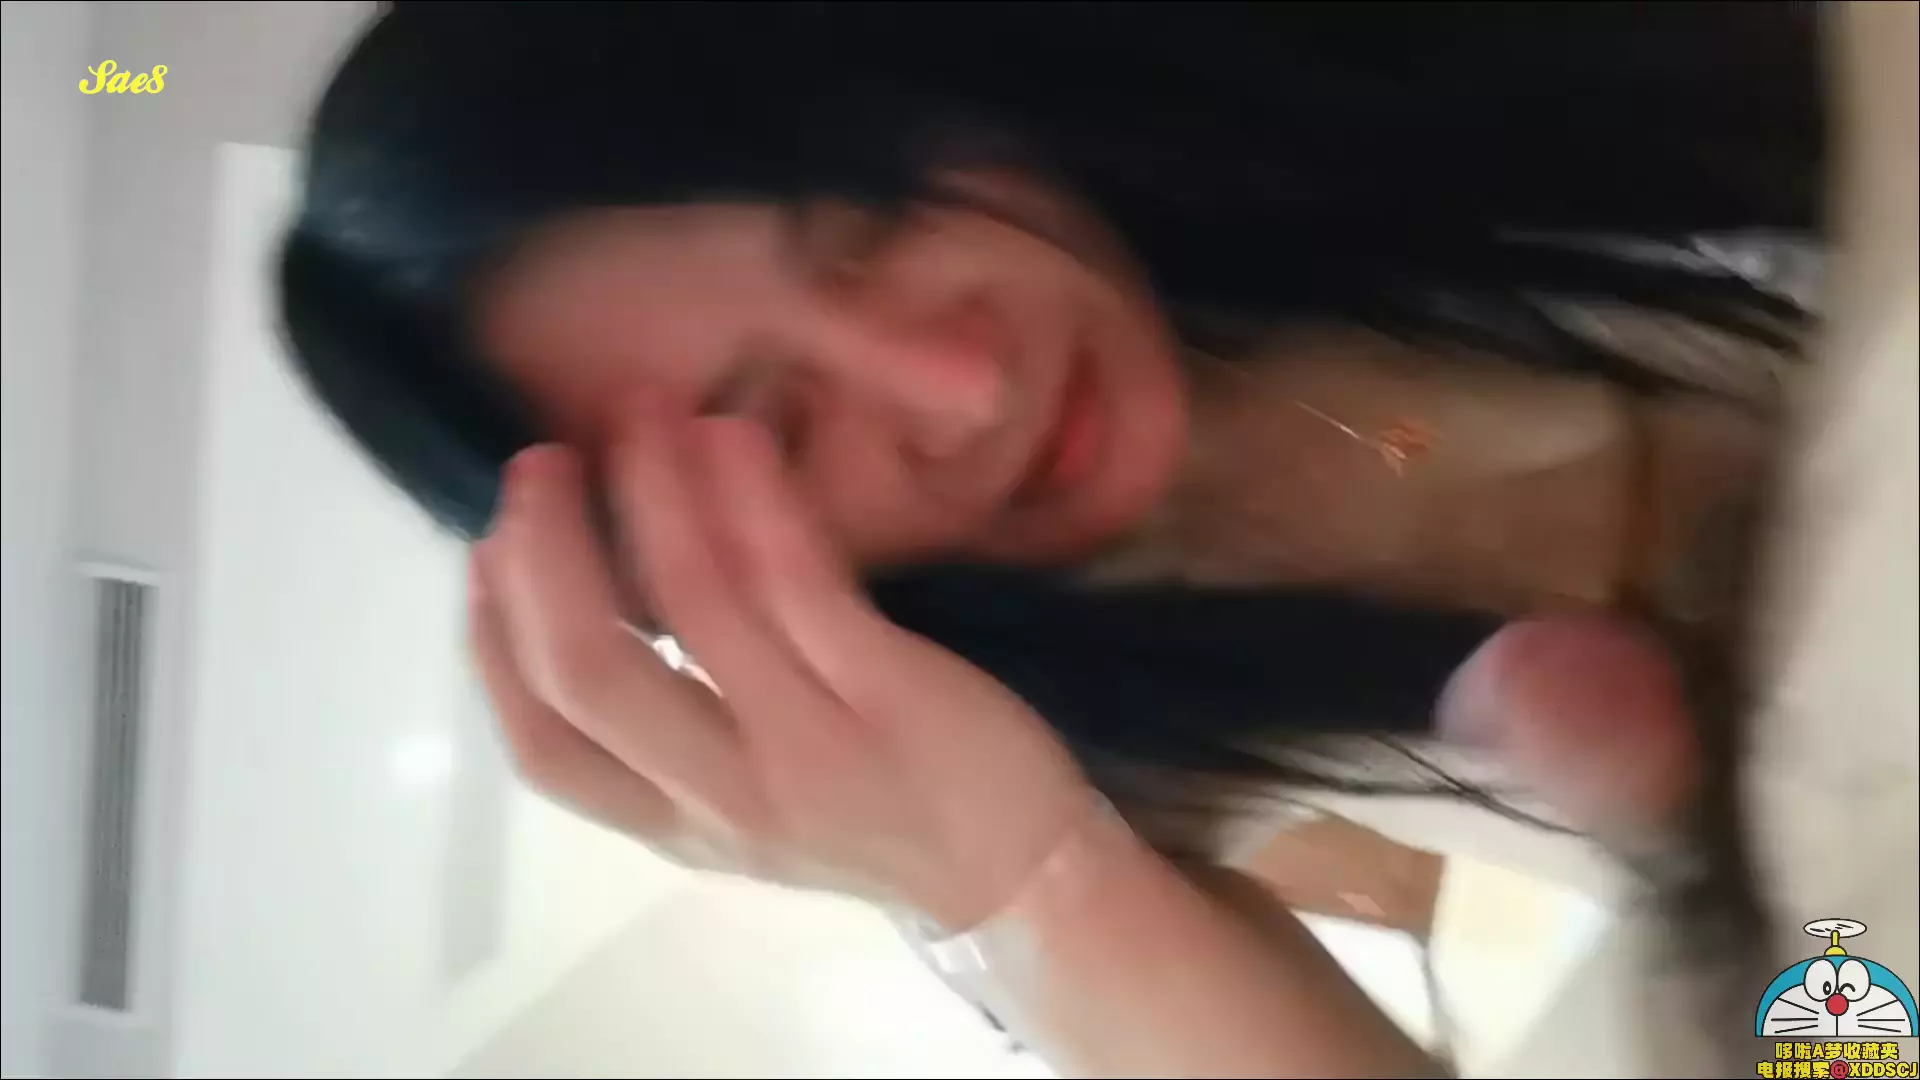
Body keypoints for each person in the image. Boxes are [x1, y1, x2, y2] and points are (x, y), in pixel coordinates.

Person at [278, 4, 1824, 1074]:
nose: (963, 385)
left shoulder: (1304, 102)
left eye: (874, 222)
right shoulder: (1063, 765)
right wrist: (1021, 883)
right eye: (784, 435)